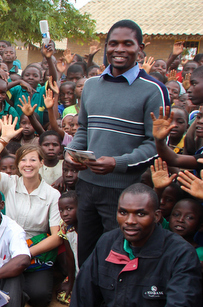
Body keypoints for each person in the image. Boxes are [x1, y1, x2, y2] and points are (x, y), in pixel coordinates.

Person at [64, 20, 169, 267]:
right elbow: (84, 129)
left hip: (125, 191)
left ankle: (114, 305)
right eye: (113, 43)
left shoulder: (154, 90)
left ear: (140, 48)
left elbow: (155, 145)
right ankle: (86, 304)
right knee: (87, 254)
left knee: (120, 256)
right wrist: (73, 153)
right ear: (106, 47)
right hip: (87, 186)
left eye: (127, 44)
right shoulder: (91, 86)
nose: (119, 49)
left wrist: (117, 163)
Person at [55, 184, 203, 307]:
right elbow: (84, 295)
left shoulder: (180, 253)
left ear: (156, 216)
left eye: (141, 214)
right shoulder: (108, 242)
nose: (130, 221)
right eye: (123, 212)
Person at [0, 116, 62, 307]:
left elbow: (57, 236)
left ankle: (17, 284)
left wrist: (25, 252)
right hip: (6, 246)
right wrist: (3, 139)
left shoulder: (53, 195)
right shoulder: (9, 182)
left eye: (33, 159)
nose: (28, 164)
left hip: (35, 250)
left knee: (40, 299)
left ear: (41, 163)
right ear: (18, 165)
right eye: (23, 160)